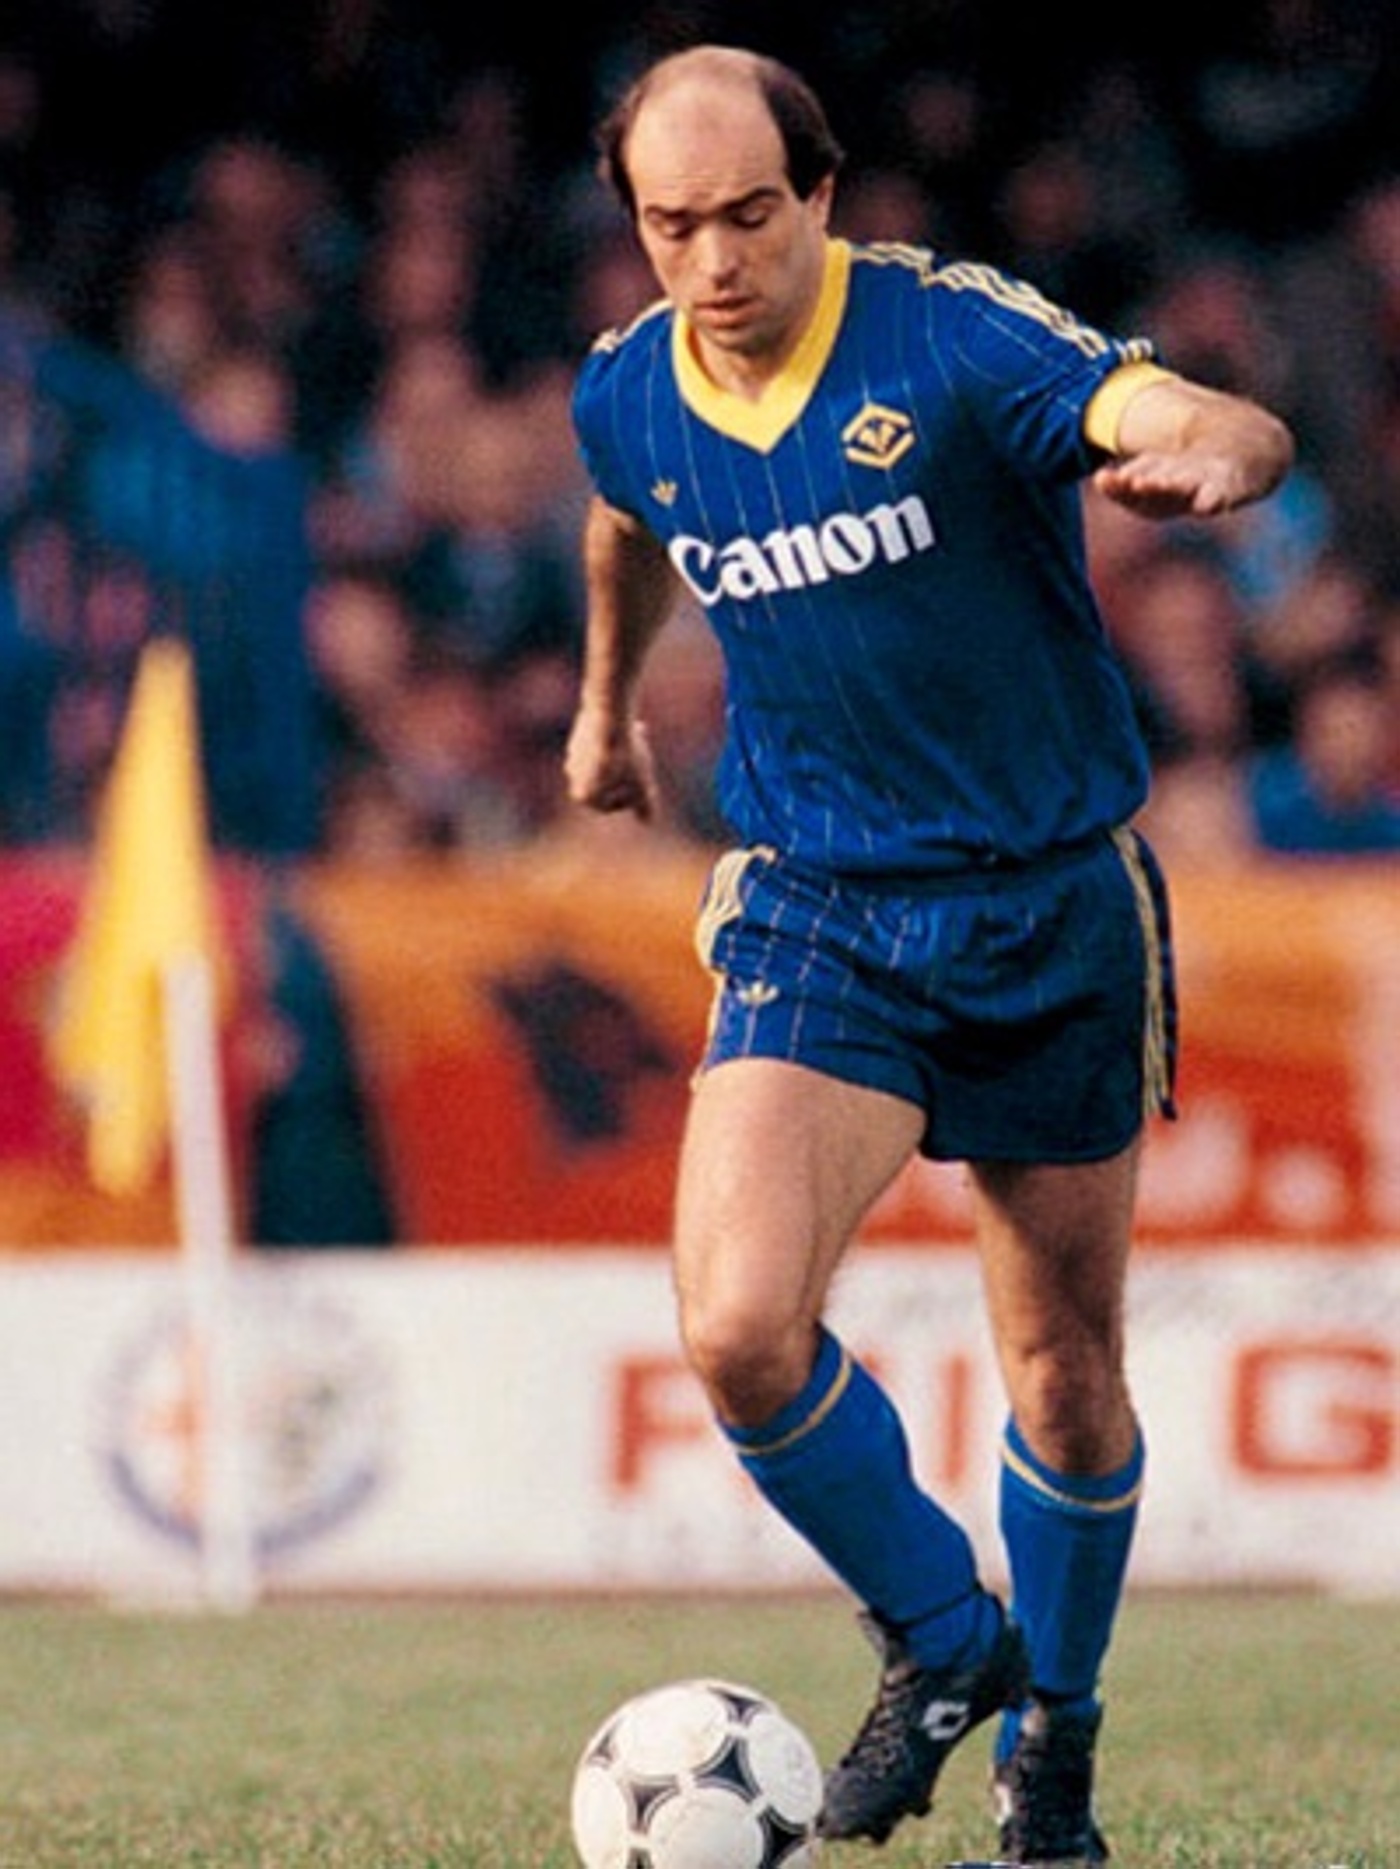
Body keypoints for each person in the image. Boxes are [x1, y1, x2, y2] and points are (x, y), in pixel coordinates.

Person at [564, 44, 1294, 1867]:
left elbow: (1180, 407)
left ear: (820, 194)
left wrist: (1219, 448)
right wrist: (605, 707)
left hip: (1047, 905)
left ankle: (1058, 1759)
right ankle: (950, 1635)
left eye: (751, 215)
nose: (715, 260)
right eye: (674, 225)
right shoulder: (629, 389)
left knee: (1061, 1365)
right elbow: (623, 517)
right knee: (739, 1326)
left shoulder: (948, 337)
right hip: (822, 900)